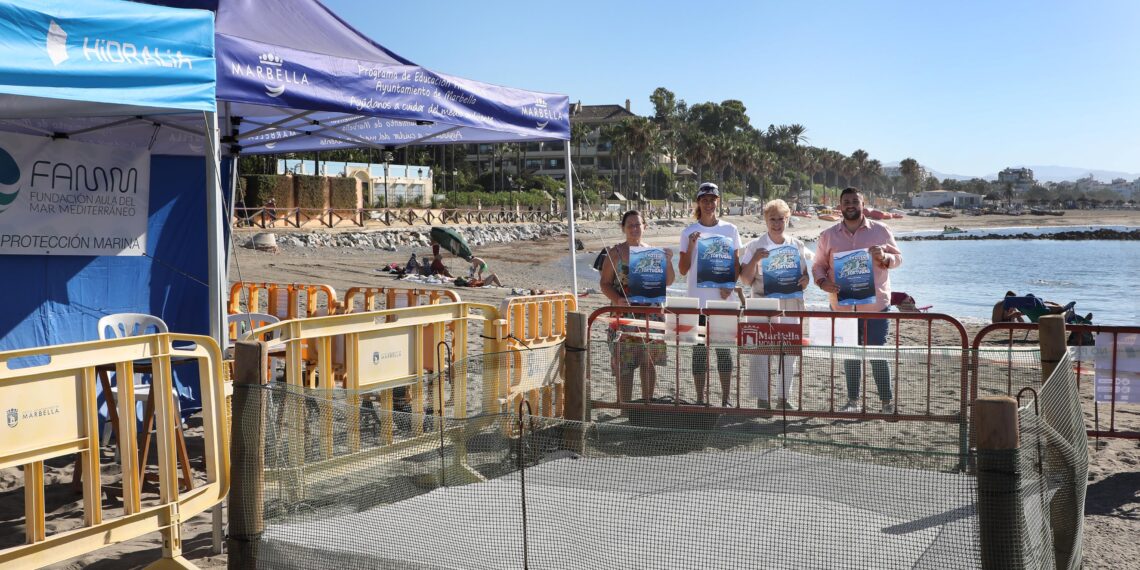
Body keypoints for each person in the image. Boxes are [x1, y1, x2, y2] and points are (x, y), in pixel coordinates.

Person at [812, 187, 903, 414]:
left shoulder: (881, 230)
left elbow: (898, 258)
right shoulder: (828, 235)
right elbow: (818, 266)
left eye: (855, 201)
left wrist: (884, 257)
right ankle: (853, 402)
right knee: (850, 355)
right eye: (846, 202)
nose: (850, 205)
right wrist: (822, 282)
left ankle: (886, 403)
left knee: (877, 353)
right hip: (842, 306)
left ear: (863, 204)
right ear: (840, 206)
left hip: (876, 306)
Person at [739, 199, 810, 410]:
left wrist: (805, 280)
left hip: (790, 303)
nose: (777, 224)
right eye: (773, 219)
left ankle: (783, 397)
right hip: (762, 303)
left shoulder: (797, 245)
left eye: (781, 219)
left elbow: (805, 276)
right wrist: (755, 259)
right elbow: (745, 280)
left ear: (787, 219)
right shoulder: (754, 245)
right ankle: (762, 398)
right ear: (765, 220)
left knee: (789, 350)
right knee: (760, 350)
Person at [600, 210, 676, 403]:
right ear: (623, 228)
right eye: (630, 225)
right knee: (625, 364)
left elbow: (668, 281)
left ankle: (646, 405)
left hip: (651, 316)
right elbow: (604, 283)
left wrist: (668, 262)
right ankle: (625, 406)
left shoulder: (653, 252)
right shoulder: (615, 253)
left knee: (648, 362)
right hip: (624, 315)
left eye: (638, 224)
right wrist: (617, 299)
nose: (634, 228)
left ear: (645, 227)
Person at [679, 182, 742, 406]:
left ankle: (726, 399)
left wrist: (730, 284)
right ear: (698, 202)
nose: (708, 204)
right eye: (704, 200)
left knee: (724, 352)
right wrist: (692, 245)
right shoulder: (688, 232)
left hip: (723, 301)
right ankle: (699, 398)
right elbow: (683, 270)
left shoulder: (730, 229)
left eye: (712, 200)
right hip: (697, 302)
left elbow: (736, 264)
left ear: (718, 201)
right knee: (699, 353)